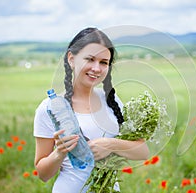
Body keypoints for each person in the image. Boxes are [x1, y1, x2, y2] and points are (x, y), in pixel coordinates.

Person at [33, 27, 150, 193]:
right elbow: (43, 174)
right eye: (90, 59)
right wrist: (59, 153)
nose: (96, 68)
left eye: (104, 62)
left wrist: (110, 145)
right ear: (71, 59)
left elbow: (143, 151)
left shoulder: (112, 101)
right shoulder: (49, 108)